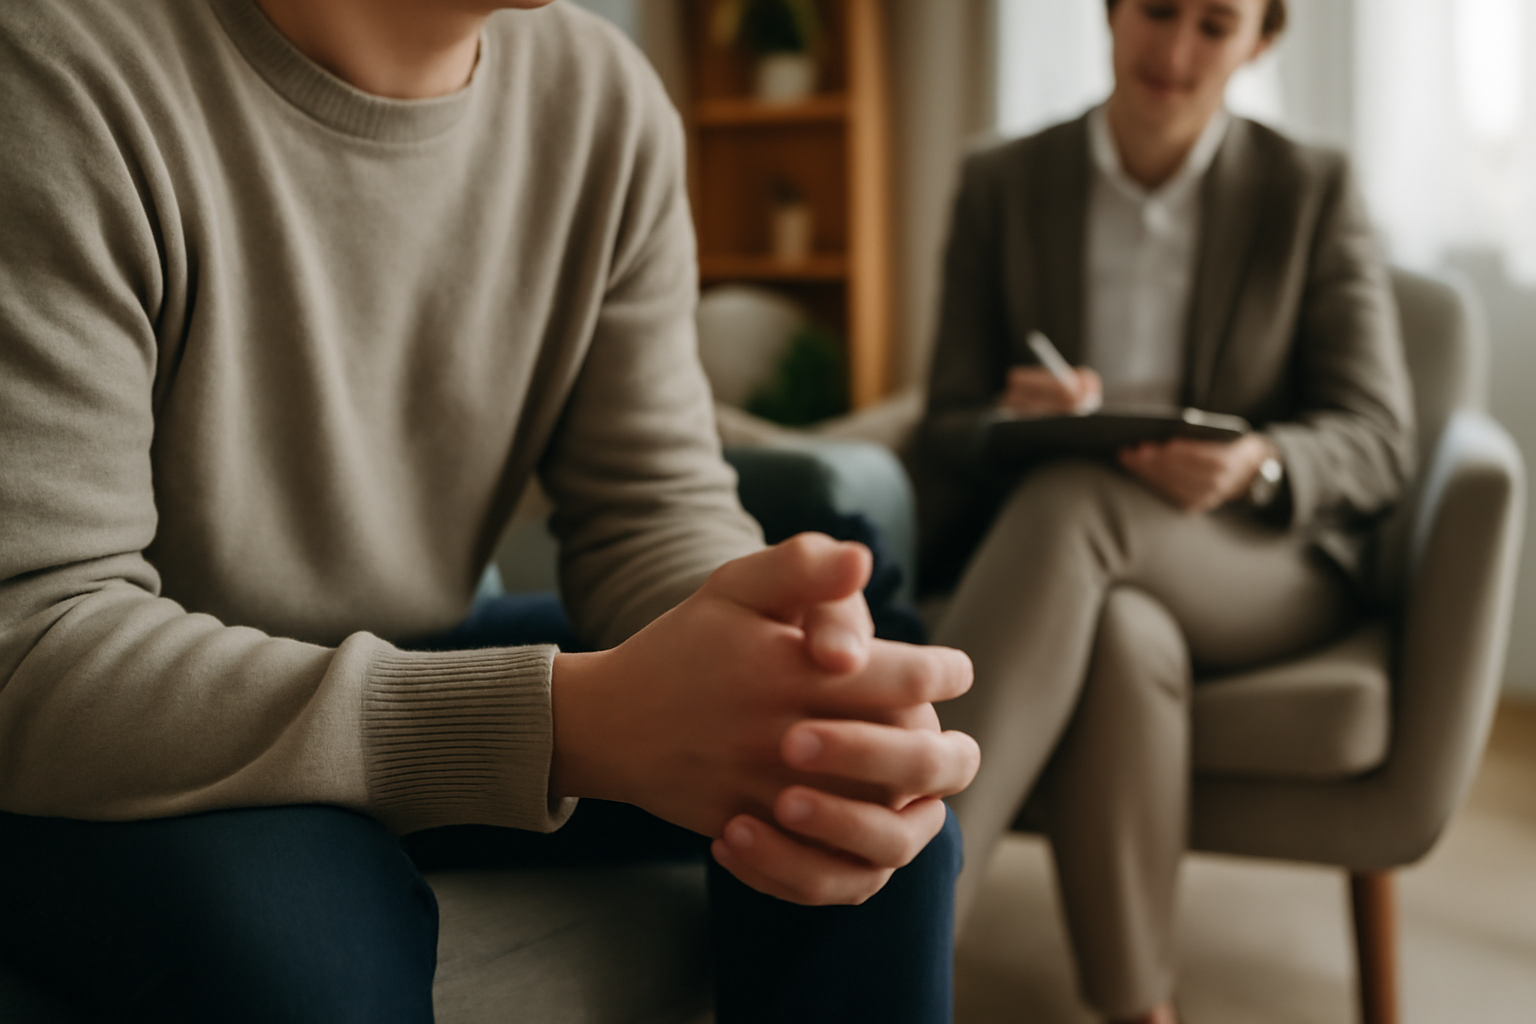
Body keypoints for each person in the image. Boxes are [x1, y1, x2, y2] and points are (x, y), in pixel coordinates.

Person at [0, 1, 982, 1021]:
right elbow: (28, 637)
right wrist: (559, 724)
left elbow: (649, 503)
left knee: (844, 788)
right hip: (129, 729)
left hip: (412, 648)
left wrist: (766, 648)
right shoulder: (61, 65)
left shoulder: (601, 102)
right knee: (313, 948)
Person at [914, 1, 1415, 1022]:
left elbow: (1377, 437)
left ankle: (895, 922)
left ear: (1260, 41)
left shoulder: (1310, 189)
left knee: (1072, 506)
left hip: (1253, 556)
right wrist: (1011, 419)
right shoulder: (1002, 181)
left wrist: (1259, 463)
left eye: (1215, 24)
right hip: (1079, 569)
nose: (1175, 49)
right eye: (1156, 10)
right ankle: (1140, 1007)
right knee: (1121, 633)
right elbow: (945, 425)